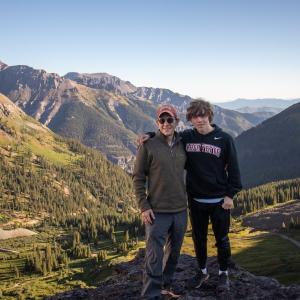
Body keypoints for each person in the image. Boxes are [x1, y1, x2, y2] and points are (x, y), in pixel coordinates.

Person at [139, 99, 242, 293]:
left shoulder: (225, 139)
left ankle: (223, 274)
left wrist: (230, 195)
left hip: (220, 201)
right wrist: (149, 135)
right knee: (198, 238)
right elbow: (167, 135)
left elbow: (235, 171)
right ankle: (202, 271)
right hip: (195, 200)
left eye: (202, 115)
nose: (199, 120)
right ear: (190, 119)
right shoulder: (187, 137)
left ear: (209, 116)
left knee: (222, 239)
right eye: (195, 116)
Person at [133, 104, 188, 300]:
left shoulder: (184, 143)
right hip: (156, 211)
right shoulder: (148, 145)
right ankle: (150, 295)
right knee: (154, 256)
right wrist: (144, 206)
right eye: (161, 120)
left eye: (169, 120)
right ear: (157, 123)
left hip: (181, 210)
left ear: (176, 122)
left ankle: (165, 287)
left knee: (173, 254)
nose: (165, 123)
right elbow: (138, 178)